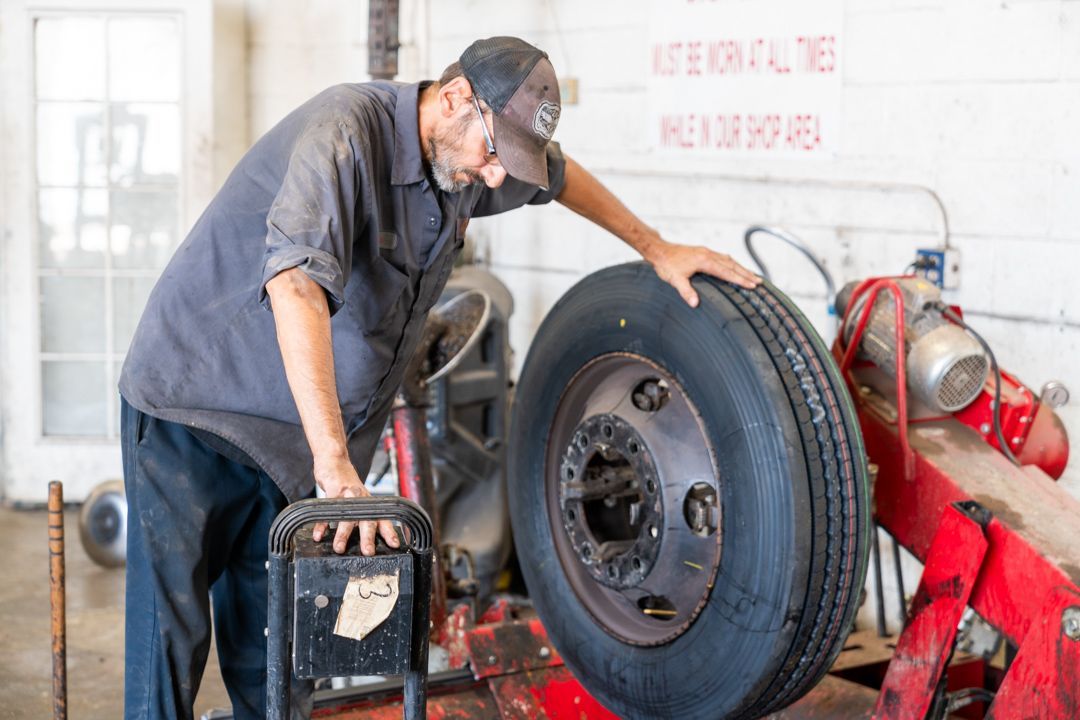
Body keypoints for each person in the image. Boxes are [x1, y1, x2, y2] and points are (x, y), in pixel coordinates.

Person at [118, 35, 760, 720]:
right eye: (493, 154)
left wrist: (656, 247)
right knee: (171, 642)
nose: (494, 179)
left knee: (279, 653)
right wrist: (336, 467)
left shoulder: (461, 161)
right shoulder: (346, 135)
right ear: (454, 97)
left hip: (291, 441)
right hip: (197, 409)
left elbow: (562, 179)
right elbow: (296, 289)